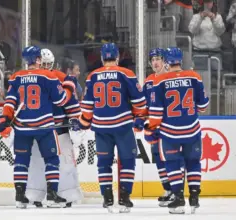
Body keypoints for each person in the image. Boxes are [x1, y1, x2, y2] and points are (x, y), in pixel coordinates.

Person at [0, 46, 77, 208]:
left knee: (21, 160)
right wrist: (69, 87)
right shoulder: (48, 76)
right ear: (38, 60)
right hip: (44, 127)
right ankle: (52, 195)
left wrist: (4, 121)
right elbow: (61, 101)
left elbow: (10, 102)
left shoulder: (16, 77)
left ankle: (20, 197)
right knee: (52, 160)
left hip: (22, 128)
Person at [73, 43, 147, 213]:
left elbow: (87, 106)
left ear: (101, 58)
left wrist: (83, 123)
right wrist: (139, 118)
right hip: (122, 125)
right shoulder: (126, 73)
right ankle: (124, 197)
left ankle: (107, 197)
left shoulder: (92, 76)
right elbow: (139, 101)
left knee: (104, 163)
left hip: (101, 128)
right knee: (128, 160)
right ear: (117, 58)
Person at [146, 47, 209, 214]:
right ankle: (194, 197)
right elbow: (203, 106)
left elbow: (156, 113)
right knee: (193, 162)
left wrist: (150, 129)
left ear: (166, 61)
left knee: (172, 163)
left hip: (170, 132)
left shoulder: (160, 81)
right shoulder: (194, 77)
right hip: (192, 130)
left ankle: (178, 199)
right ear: (181, 60)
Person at [25, 48, 83, 208]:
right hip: (40, 129)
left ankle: (66, 194)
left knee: (64, 163)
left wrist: (75, 120)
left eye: (48, 64)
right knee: (37, 163)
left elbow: (71, 101)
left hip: (54, 129)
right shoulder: (55, 77)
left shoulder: (29, 78)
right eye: (43, 63)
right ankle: (34, 194)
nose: (45, 66)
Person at [134, 48, 176, 207]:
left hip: (169, 127)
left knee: (170, 158)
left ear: (165, 61)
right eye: (152, 60)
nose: (155, 63)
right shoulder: (149, 80)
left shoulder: (171, 78)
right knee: (158, 157)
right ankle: (167, 189)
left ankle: (175, 189)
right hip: (154, 127)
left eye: (158, 59)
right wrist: (140, 118)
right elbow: (145, 105)